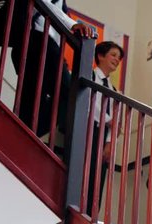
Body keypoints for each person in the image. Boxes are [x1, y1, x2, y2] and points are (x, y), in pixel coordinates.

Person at [11, 0, 93, 137]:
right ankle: (24, 134)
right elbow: (45, 4)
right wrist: (72, 24)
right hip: (36, 41)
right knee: (65, 92)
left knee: (35, 96)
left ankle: (23, 134)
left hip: (47, 46)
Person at [85, 41, 124, 217]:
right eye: (113, 55)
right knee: (83, 174)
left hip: (102, 137)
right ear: (100, 55)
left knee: (97, 179)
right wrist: (109, 120)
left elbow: (116, 122)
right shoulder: (88, 76)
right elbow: (87, 104)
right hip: (86, 131)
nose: (117, 60)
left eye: (119, 58)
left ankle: (91, 216)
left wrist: (109, 143)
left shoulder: (115, 90)